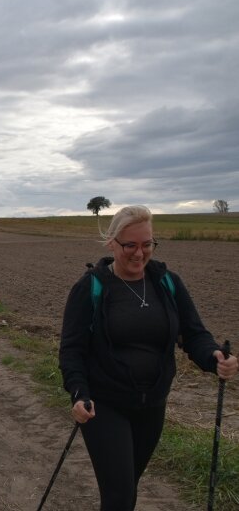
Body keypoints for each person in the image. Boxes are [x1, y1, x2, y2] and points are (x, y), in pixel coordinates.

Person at [59, 205, 238, 510]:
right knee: (119, 496)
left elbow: (193, 334)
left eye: (147, 244)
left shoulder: (167, 283)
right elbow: (72, 349)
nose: (139, 254)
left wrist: (214, 357)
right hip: (103, 405)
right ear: (112, 243)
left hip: (152, 404)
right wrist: (78, 393)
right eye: (130, 245)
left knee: (129, 487)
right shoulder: (91, 287)